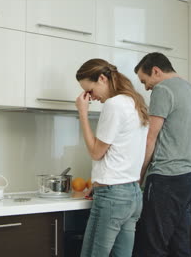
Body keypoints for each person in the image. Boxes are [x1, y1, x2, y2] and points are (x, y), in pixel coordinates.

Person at [132, 52, 191, 257]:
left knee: (152, 247)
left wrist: (138, 178)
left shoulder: (163, 89)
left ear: (156, 70)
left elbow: (150, 138)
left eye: (145, 81)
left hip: (166, 179)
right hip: (190, 179)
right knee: (179, 247)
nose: (146, 88)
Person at [75, 58, 149, 257]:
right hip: (132, 194)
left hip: (113, 197)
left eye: (89, 91)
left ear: (102, 78)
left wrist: (82, 113)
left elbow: (96, 152)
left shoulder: (114, 104)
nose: (90, 98)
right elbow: (121, 153)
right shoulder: (135, 102)